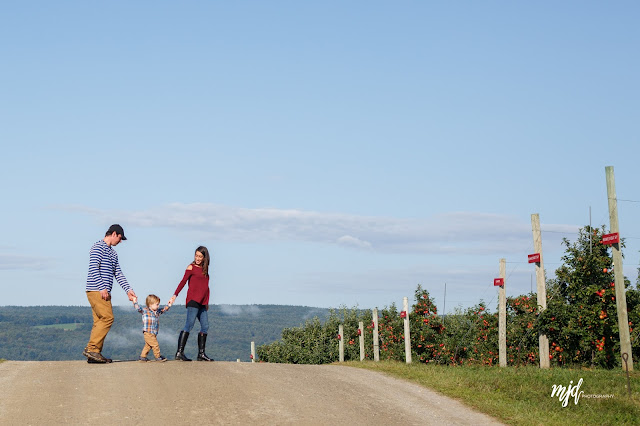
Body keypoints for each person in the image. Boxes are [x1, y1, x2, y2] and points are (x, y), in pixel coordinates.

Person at [83, 224, 137, 364]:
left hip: (104, 292)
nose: (120, 241)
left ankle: (94, 354)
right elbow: (93, 268)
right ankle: (92, 349)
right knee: (108, 318)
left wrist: (128, 290)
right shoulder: (97, 247)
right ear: (114, 234)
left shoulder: (113, 253)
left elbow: (118, 273)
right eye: (119, 238)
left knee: (99, 321)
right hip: (96, 290)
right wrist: (102, 288)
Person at [169, 246, 214, 361]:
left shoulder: (205, 269)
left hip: (202, 303)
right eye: (196, 255)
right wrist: (175, 295)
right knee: (189, 324)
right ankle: (179, 352)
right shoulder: (191, 267)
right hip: (193, 300)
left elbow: (206, 287)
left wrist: (206, 302)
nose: (198, 258)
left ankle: (201, 354)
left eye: (200, 256)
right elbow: (183, 281)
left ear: (205, 258)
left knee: (205, 326)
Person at [133, 294, 172, 362]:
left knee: (148, 345)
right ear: (150, 304)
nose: (158, 306)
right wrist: (135, 301)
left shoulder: (157, 312)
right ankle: (158, 356)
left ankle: (142, 357)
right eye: (157, 304)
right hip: (147, 332)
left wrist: (169, 305)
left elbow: (164, 309)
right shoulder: (145, 311)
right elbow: (138, 308)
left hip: (153, 332)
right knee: (155, 344)